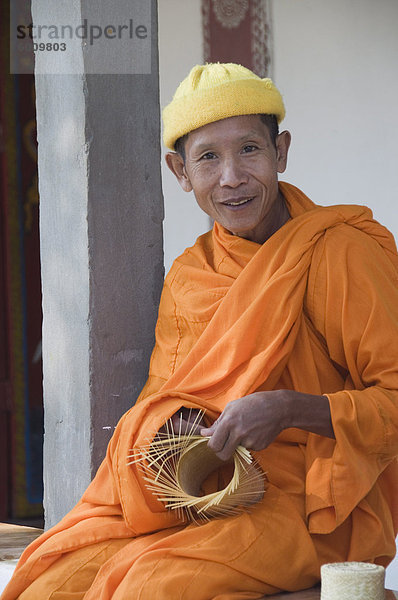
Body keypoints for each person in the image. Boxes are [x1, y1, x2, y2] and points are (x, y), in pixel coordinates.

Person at [2, 62, 398, 600]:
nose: (231, 177)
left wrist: (289, 408)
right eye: (208, 158)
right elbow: (166, 396)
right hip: (209, 492)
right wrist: (176, 428)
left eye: (249, 151)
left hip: (316, 508)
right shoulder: (192, 274)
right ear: (180, 171)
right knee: (49, 583)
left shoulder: (339, 252)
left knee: (148, 586)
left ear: (280, 152)